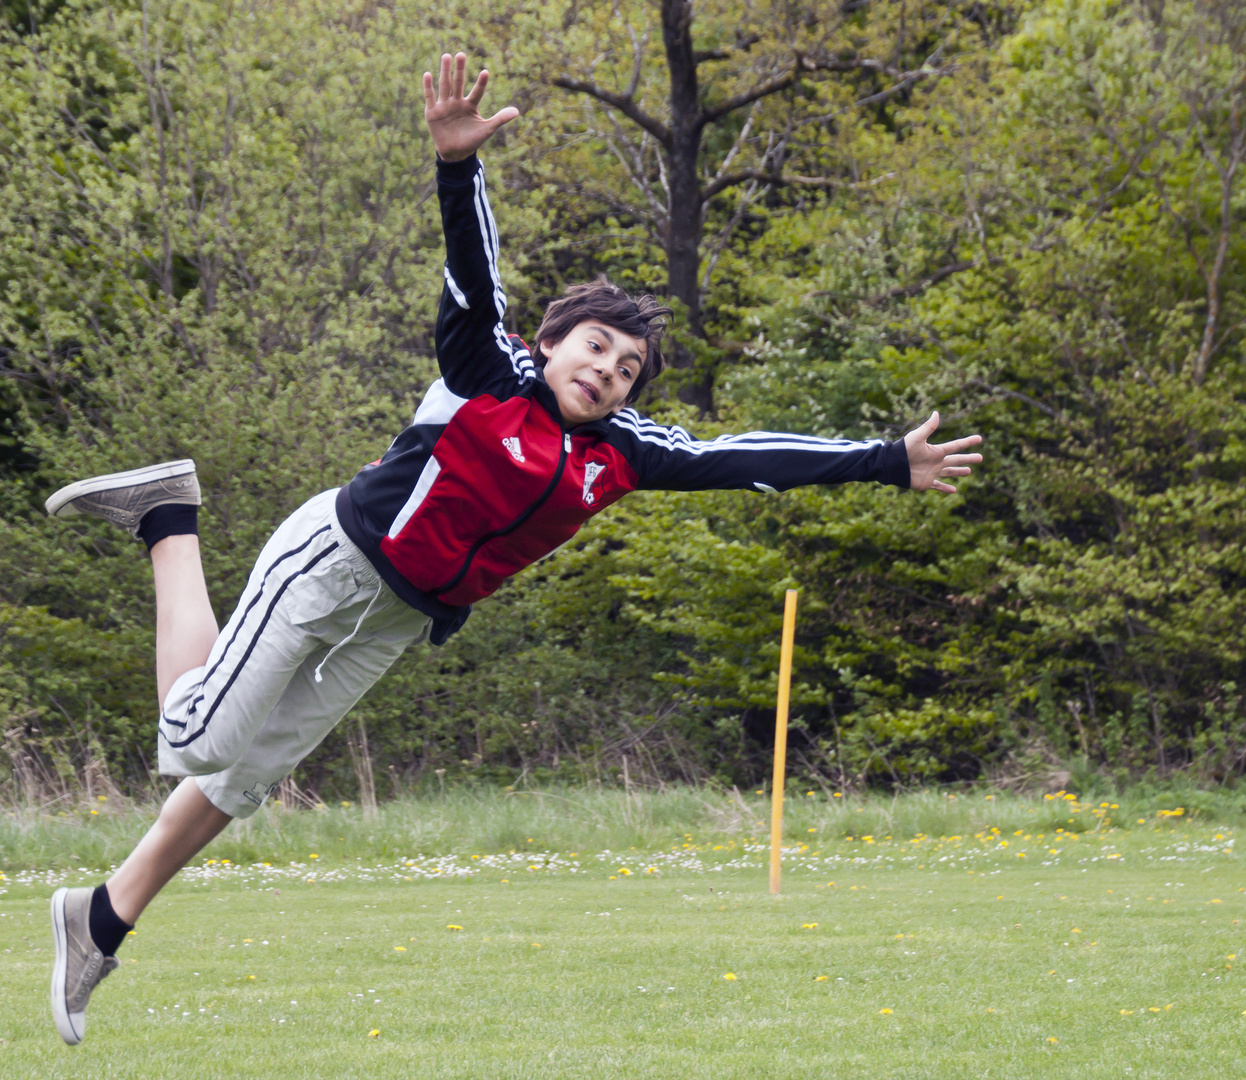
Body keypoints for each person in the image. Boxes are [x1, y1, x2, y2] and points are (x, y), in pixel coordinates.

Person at [44, 52, 983, 1045]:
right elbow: (474, 268)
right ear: (553, 341)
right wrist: (458, 166)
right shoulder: (484, 370)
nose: (608, 373)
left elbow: (738, 454)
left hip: (398, 625)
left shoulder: (622, 455)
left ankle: (101, 918)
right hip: (332, 560)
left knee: (239, 782)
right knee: (197, 743)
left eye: (627, 371)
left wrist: (883, 461)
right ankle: (166, 519)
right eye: (594, 349)